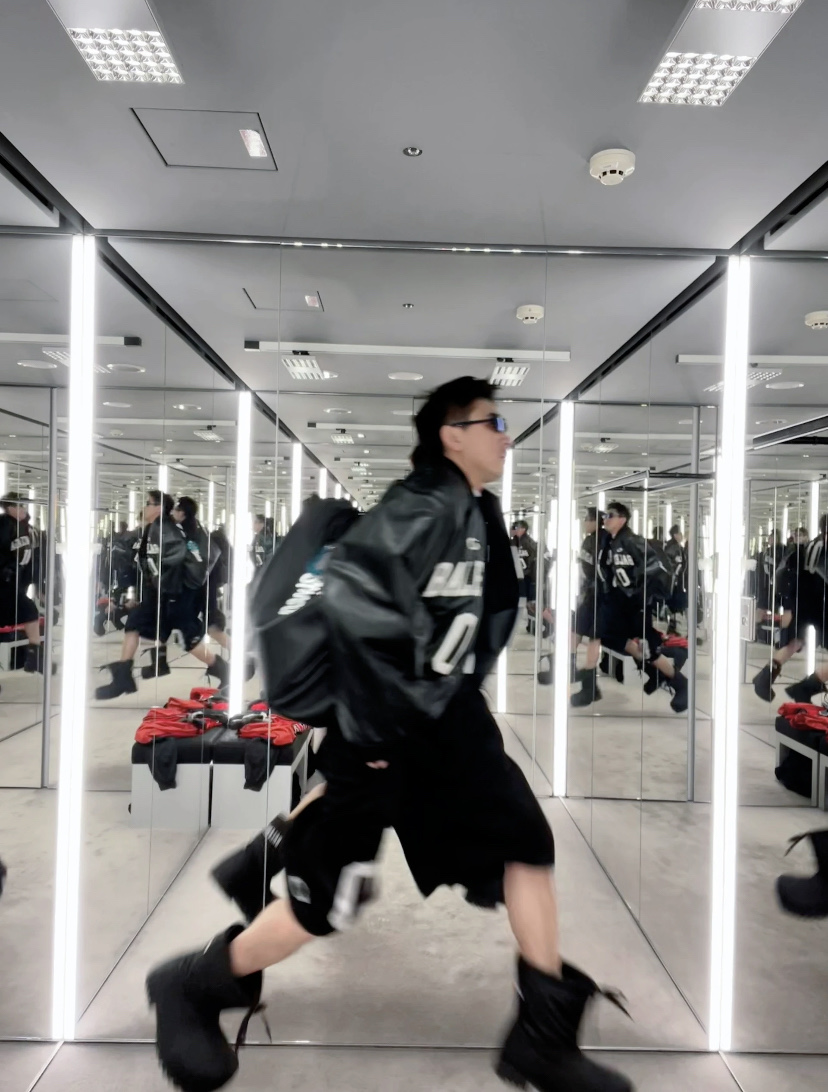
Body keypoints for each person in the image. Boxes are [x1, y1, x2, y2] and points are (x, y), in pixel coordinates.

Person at [145, 377, 633, 1092]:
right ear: (452, 435)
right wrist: (373, 740)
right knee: (327, 901)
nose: (506, 435)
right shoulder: (422, 506)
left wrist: (454, 686)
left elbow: (482, 611)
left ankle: (543, 1038)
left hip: (447, 722)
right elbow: (355, 603)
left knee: (528, 844)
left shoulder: (473, 509)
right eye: (492, 422)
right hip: (386, 732)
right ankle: (192, 984)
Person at [95, 491, 189, 699]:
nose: (145, 507)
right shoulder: (153, 530)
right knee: (148, 628)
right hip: (155, 591)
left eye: (149, 503)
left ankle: (124, 677)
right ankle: (151, 665)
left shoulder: (165, 531)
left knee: (134, 626)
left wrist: (161, 583)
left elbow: (175, 560)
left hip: (162, 592)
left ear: (159, 508)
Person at [600, 501, 688, 713]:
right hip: (622, 605)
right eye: (604, 515)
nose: (606, 519)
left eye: (610, 515)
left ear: (622, 519)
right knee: (612, 637)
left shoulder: (633, 541)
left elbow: (654, 567)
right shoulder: (612, 543)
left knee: (648, 648)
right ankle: (655, 673)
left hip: (637, 605)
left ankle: (680, 683)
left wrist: (641, 594)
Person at [137, 496, 229, 685]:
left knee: (188, 636)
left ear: (183, 513)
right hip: (184, 591)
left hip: (183, 593)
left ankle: (222, 669)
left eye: (177, 510)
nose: (173, 513)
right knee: (162, 627)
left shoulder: (185, 536)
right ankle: (159, 663)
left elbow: (178, 563)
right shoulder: (192, 532)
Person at [753, 517, 828, 704]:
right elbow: (793, 576)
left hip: (805, 603)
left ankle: (765, 678)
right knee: (794, 642)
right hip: (814, 605)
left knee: (794, 642)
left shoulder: (810, 547)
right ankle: (803, 688)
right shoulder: (817, 550)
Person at [0, 491, 46, 673]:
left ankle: (35, 657)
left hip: (14, 584)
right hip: (4, 583)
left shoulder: (26, 528)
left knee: (29, 611)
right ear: (10, 508)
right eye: (20, 506)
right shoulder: (4, 525)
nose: (24, 509)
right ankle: (35, 658)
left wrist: (35, 583)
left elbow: (31, 558)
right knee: (29, 610)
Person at [571, 507, 607, 707]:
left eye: (587, 519)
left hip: (597, 597)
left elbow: (594, 570)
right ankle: (588, 684)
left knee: (592, 638)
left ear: (595, 521)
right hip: (593, 595)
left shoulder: (595, 541)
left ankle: (589, 686)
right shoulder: (599, 540)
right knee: (582, 634)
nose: (585, 522)